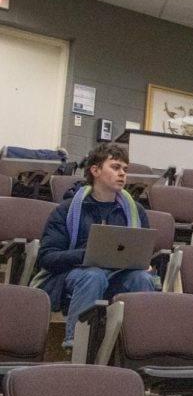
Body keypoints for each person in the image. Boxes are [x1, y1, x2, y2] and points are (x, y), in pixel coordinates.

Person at [31, 142, 155, 349]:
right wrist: (86, 255)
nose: (122, 174)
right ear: (95, 170)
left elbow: (140, 251)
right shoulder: (67, 209)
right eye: (115, 167)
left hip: (118, 275)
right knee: (93, 275)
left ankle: (139, 347)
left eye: (125, 169)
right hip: (72, 276)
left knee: (142, 278)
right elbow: (47, 258)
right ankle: (77, 345)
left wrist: (143, 263)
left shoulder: (136, 211)